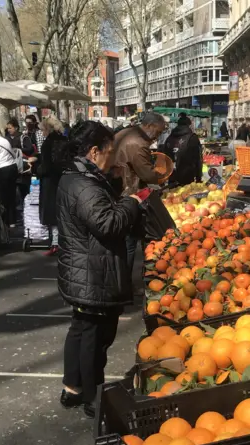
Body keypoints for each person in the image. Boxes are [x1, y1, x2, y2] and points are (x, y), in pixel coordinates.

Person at [56, 121, 143, 417]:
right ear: (94, 152)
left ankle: (73, 388)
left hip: (81, 270)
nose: (113, 158)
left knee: (80, 330)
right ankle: (94, 399)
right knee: (95, 337)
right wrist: (131, 202)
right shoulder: (84, 184)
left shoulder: (75, 177)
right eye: (109, 151)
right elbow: (108, 224)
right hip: (94, 273)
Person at [113, 111, 167, 276]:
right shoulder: (137, 143)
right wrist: (162, 175)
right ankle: (126, 283)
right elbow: (147, 174)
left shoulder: (126, 133)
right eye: (157, 132)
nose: (157, 137)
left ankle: (123, 279)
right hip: (128, 192)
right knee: (130, 242)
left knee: (124, 242)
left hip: (117, 189)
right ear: (149, 126)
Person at [37, 117, 67, 256]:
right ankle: (61, 241)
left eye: (43, 129)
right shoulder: (63, 141)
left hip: (50, 182)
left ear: (48, 129)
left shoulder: (48, 143)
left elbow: (46, 166)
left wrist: (35, 169)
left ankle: (55, 243)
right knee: (62, 212)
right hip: (63, 180)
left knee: (52, 214)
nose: (41, 132)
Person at [0, 129, 19, 227]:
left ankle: (4, 220)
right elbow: (13, 154)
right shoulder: (4, 140)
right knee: (12, 195)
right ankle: (12, 221)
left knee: (2, 196)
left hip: (1, 169)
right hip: (12, 166)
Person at [163, 116, 202, 187]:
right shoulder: (192, 137)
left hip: (172, 176)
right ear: (189, 125)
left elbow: (164, 157)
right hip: (187, 177)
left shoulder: (169, 138)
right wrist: (198, 178)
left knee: (171, 195)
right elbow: (198, 159)